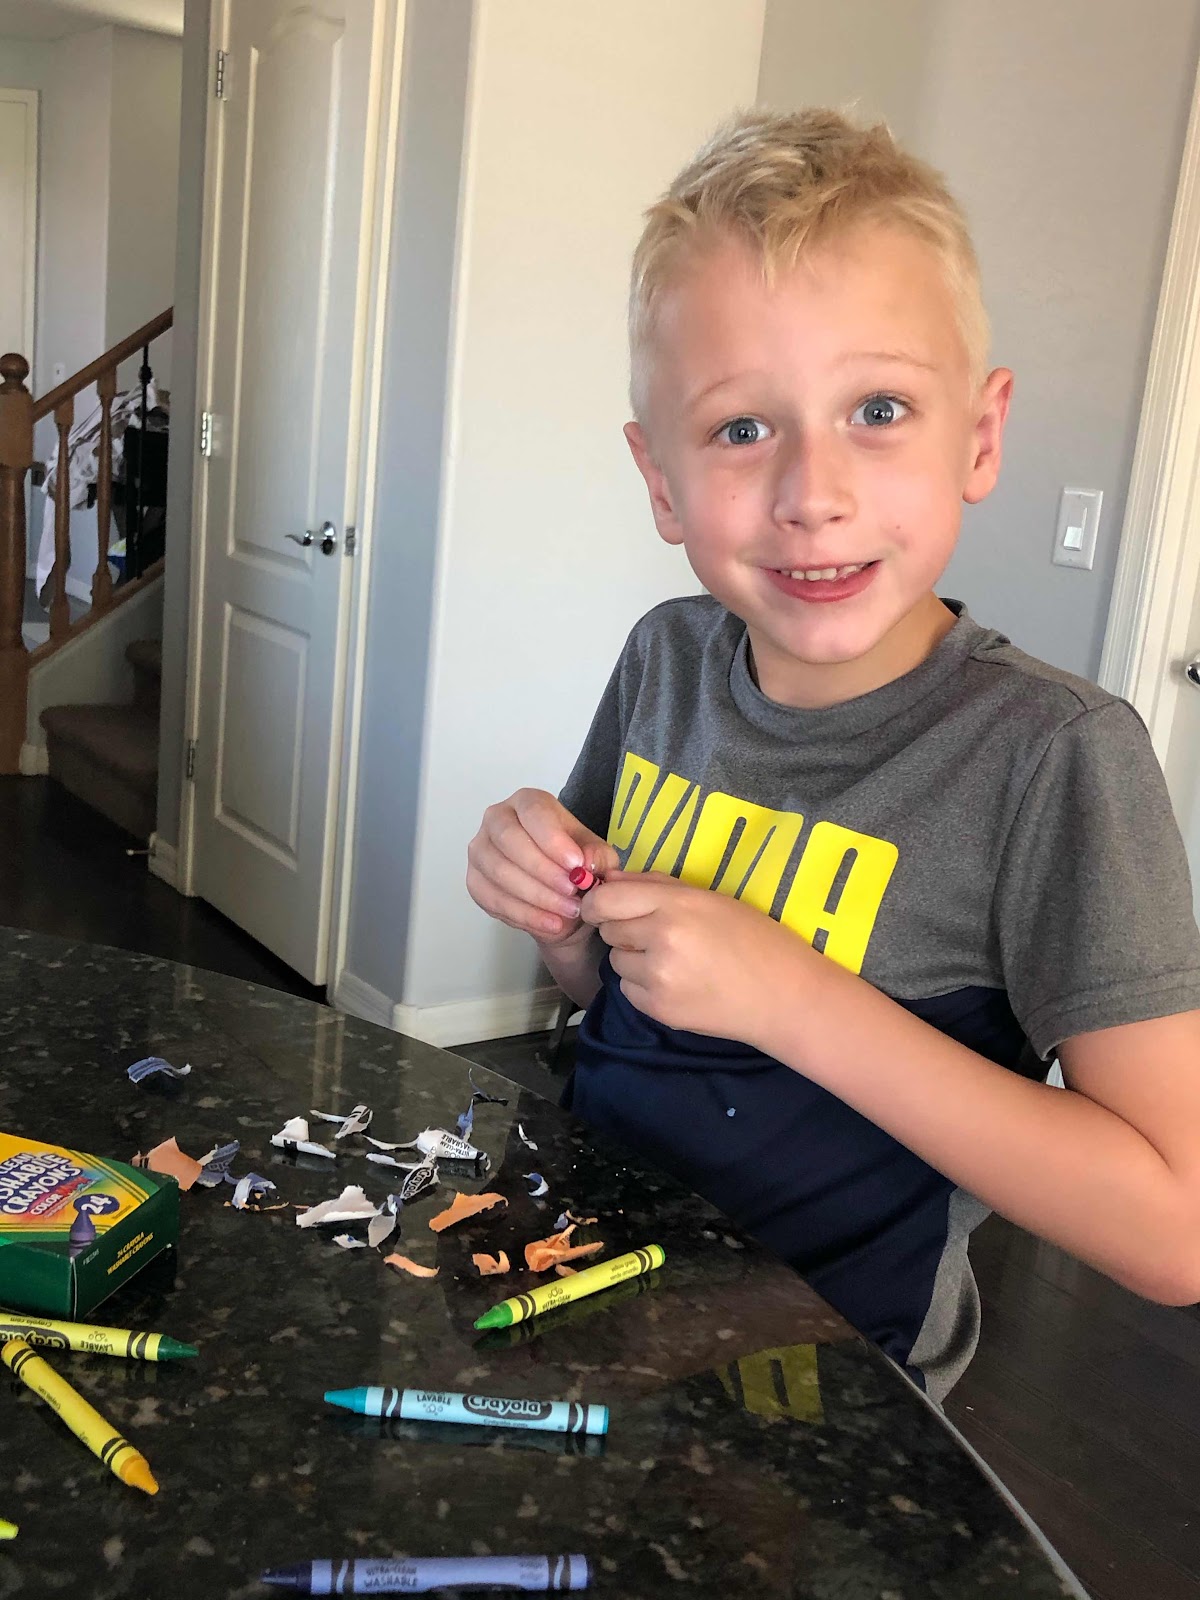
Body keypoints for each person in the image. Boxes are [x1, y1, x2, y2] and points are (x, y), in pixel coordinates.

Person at [465, 108, 1200, 1401]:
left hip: (822, 1395)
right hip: (589, 1303)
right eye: (742, 429)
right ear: (660, 480)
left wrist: (794, 999)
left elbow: (1172, 1231)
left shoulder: (1054, 758)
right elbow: (604, 1001)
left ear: (980, 435)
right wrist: (560, 917)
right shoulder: (665, 660)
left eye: (878, 408)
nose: (813, 491)